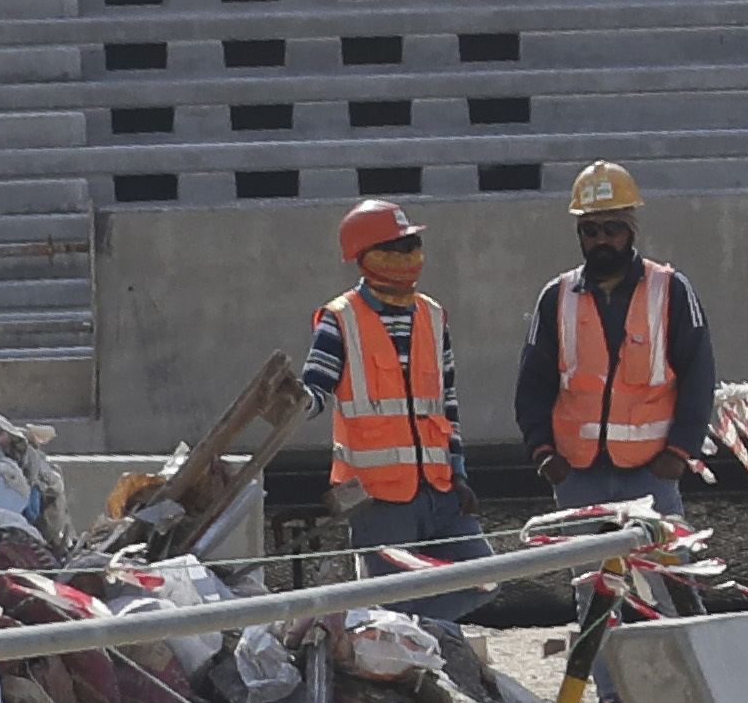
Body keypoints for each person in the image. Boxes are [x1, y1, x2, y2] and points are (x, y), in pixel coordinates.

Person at [302, 196, 488, 621]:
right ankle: (399, 643)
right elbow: (315, 388)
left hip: (439, 490)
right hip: (378, 498)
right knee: (390, 604)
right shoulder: (341, 319)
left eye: (413, 247)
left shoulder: (433, 315)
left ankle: (413, 629)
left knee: (483, 578)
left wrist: (459, 473)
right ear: (366, 258)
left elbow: (448, 403)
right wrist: (291, 403)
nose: (411, 257)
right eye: (398, 248)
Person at [514, 160, 713, 513]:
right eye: (590, 229)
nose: (601, 239)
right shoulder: (556, 297)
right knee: (588, 570)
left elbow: (699, 375)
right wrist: (542, 451)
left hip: (651, 474)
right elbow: (532, 384)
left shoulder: (670, 290)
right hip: (576, 477)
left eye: (612, 228)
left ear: (631, 229)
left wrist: (680, 452)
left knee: (657, 569)